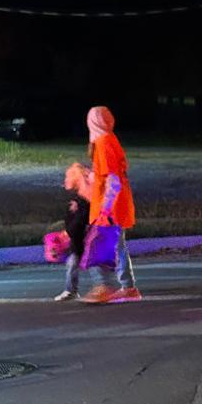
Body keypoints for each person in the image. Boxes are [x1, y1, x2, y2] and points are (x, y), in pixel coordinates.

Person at [81, 106, 141, 304]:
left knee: (97, 245)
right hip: (117, 204)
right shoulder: (109, 140)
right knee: (118, 246)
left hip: (109, 207)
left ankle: (103, 287)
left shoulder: (104, 142)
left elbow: (112, 180)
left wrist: (105, 209)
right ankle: (128, 287)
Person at [54, 162, 93, 301]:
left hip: (83, 238)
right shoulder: (76, 197)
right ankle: (71, 290)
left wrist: (67, 232)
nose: (65, 180)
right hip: (78, 238)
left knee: (77, 262)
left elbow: (81, 219)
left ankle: (72, 290)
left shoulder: (83, 198)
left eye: (68, 177)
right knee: (73, 262)